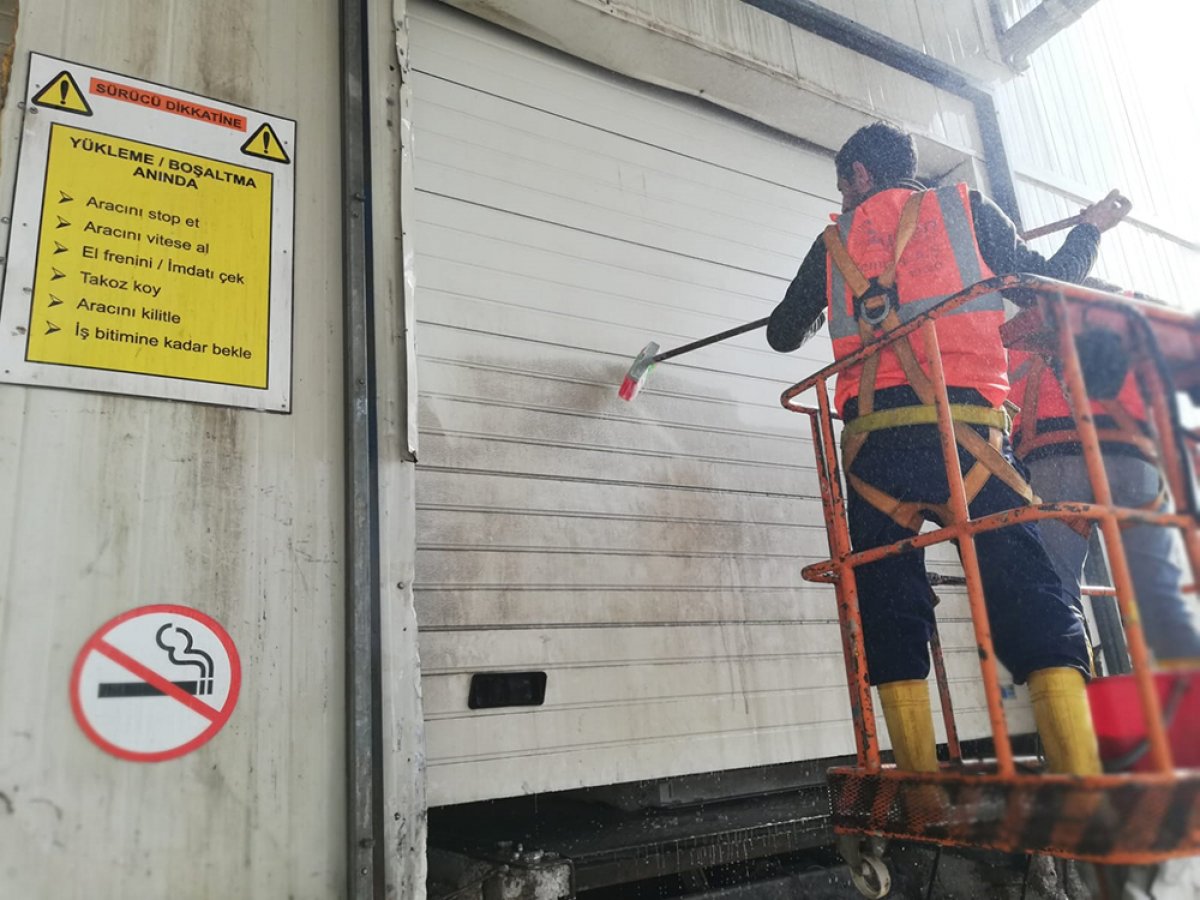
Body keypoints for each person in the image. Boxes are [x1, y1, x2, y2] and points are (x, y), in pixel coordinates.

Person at [768, 121, 1130, 777]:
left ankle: (919, 782)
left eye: (843, 186)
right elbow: (1049, 284)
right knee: (1027, 587)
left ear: (859, 175)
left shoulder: (832, 243)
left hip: (873, 453)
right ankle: (1080, 775)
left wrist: (833, 294)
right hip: (968, 440)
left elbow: (782, 335)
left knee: (886, 598)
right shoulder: (968, 210)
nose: (843, 199)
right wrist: (1090, 230)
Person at [1009, 280, 1200, 667]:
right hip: (1132, 460)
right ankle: (1185, 688)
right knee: (1158, 590)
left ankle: (1074, 689)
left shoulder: (1019, 330)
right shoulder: (1130, 311)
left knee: (1058, 588)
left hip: (1054, 460)